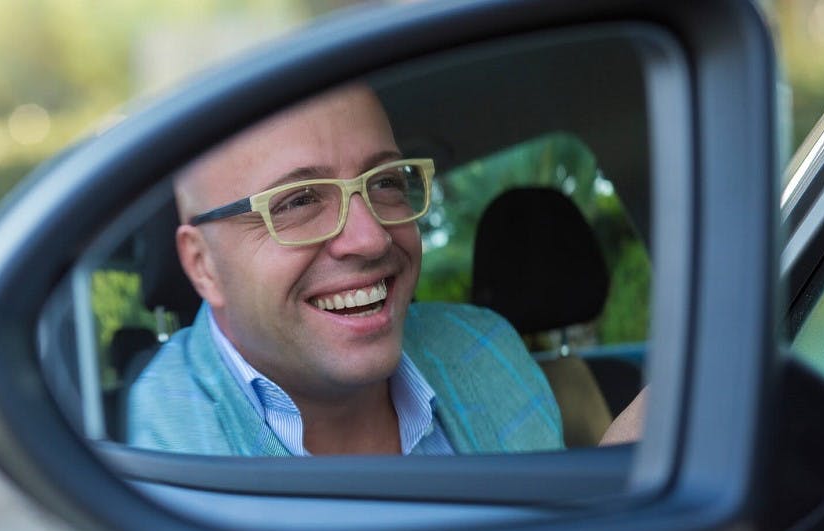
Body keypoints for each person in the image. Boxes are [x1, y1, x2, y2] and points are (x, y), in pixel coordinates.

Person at [126, 83, 568, 456]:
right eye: (298, 201)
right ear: (203, 265)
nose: (372, 237)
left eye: (385, 182)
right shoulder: (168, 434)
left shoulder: (484, 348)